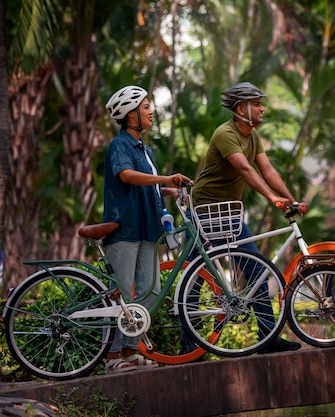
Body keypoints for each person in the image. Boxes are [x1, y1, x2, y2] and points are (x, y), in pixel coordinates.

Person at [192, 81, 307, 354]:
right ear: (241, 108)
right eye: (256, 104)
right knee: (194, 278)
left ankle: (267, 338)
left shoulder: (252, 137)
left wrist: (289, 199)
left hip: (229, 213)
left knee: (256, 270)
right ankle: (189, 348)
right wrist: (271, 199)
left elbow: (267, 171)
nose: (262, 108)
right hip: (205, 211)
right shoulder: (225, 133)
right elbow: (245, 169)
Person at [103, 85, 193, 372]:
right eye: (145, 107)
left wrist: (169, 191)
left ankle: (130, 351)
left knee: (151, 291)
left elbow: (147, 186)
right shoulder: (120, 146)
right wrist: (165, 177)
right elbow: (126, 176)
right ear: (131, 115)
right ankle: (111, 357)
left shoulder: (146, 148)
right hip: (125, 228)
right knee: (124, 296)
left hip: (148, 228)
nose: (151, 111)